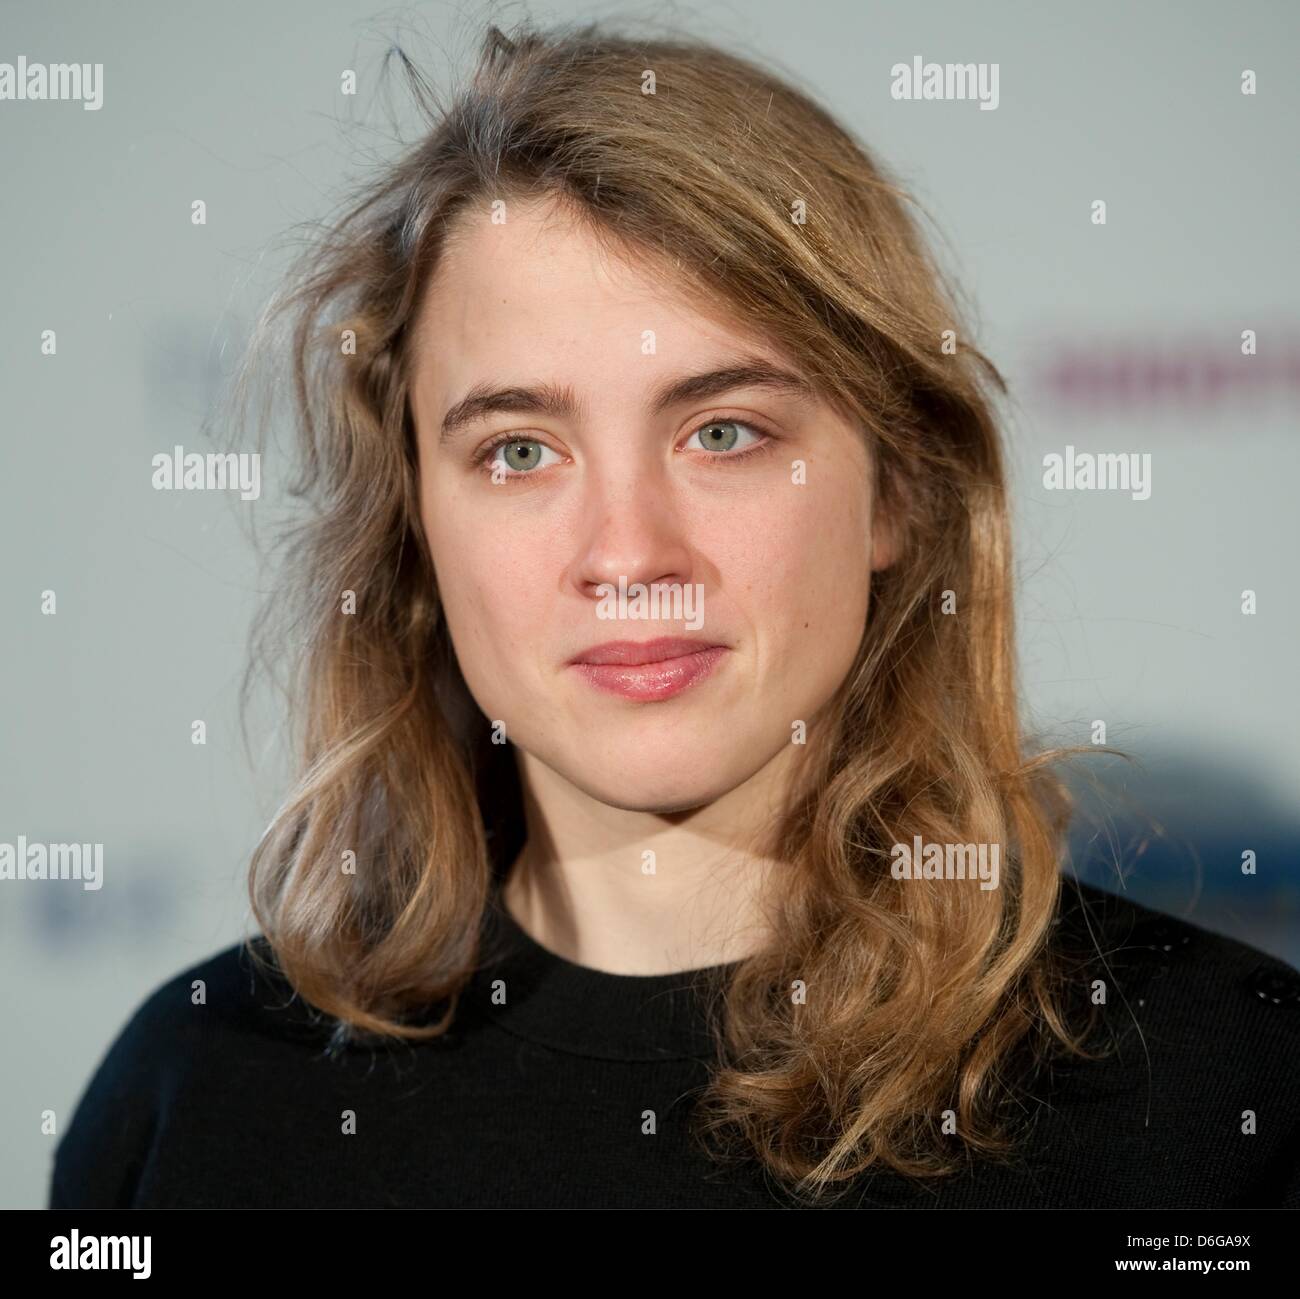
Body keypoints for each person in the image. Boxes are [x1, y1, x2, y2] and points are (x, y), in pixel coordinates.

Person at [49, 18, 1300, 1210]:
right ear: (414, 531)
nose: (629, 556)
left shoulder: (1216, 1099)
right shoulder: (197, 1103)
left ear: (898, 493)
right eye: (519, 451)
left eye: (722, 432)